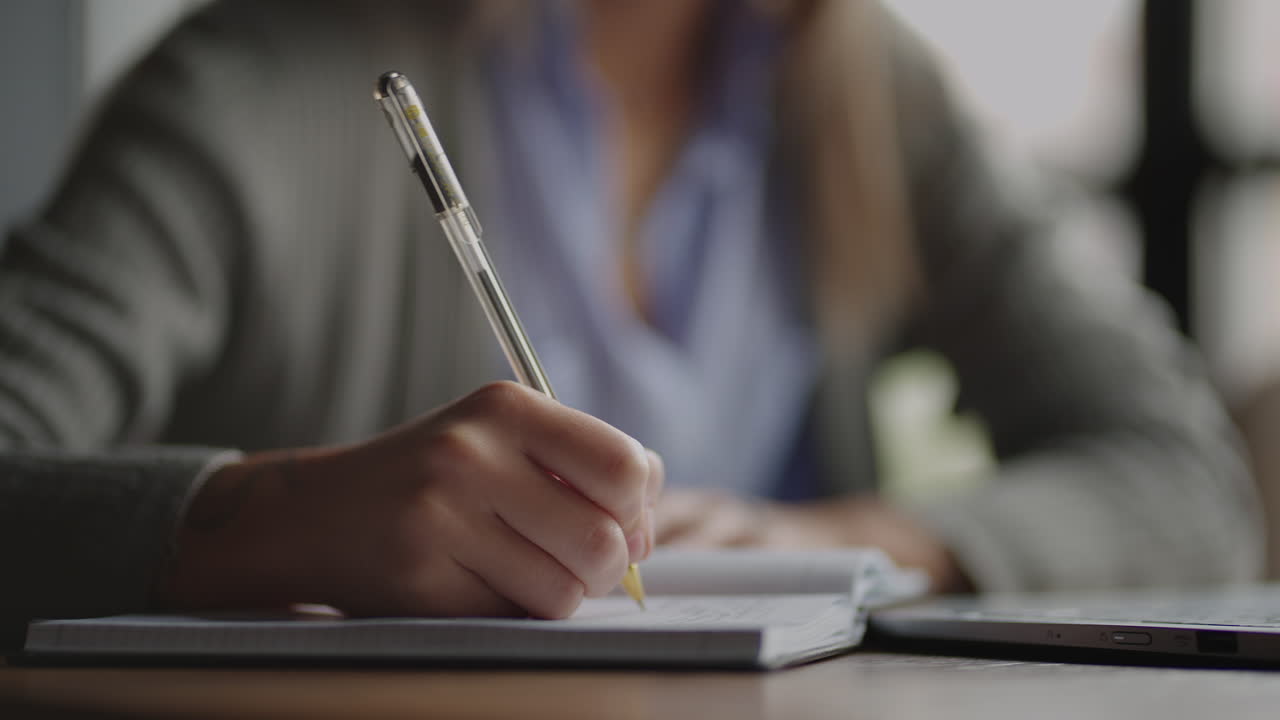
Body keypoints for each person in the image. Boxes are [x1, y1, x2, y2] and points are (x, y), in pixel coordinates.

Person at [0, 0, 1262, 649]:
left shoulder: (862, 89)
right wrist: (268, 516)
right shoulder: (250, 87)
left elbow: (1180, 470)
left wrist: (855, 540)